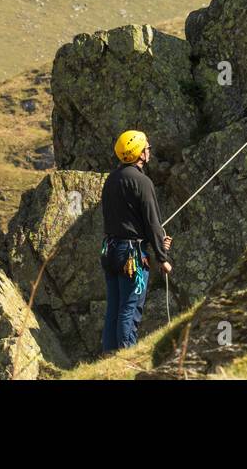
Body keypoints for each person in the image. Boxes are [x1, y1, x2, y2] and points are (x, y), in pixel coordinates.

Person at [100, 129, 173, 352]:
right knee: (129, 309)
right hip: (132, 255)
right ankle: (125, 358)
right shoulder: (142, 182)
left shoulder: (111, 180)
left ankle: (109, 357)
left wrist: (156, 243)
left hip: (110, 251)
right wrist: (162, 257)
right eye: (146, 147)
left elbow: (125, 219)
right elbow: (152, 222)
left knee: (114, 308)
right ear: (140, 154)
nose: (149, 150)